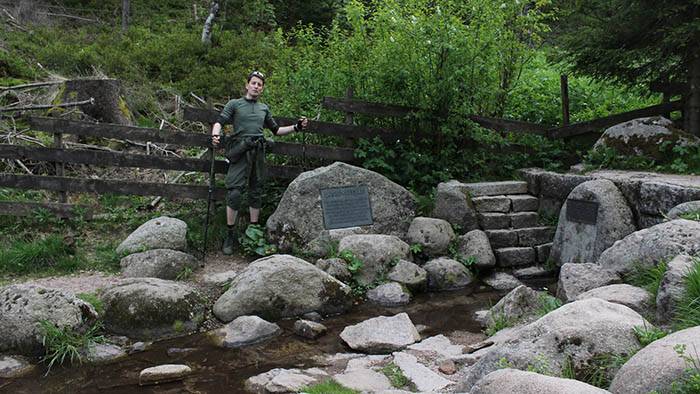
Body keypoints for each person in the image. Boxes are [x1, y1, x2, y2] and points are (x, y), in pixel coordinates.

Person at [211, 71, 307, 255]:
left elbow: (276, 130)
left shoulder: (264, 108)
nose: (256, 86)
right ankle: (230, 234)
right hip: (240, 151)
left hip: (259, 152)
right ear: (247, 85)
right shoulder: (235, 104)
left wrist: (296, 127)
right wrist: (215, 135)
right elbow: (219, 121)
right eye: (253, 83)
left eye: (259, 84)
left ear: (262, 89)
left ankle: (254, 233)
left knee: (256, 190)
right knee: (235, 192)